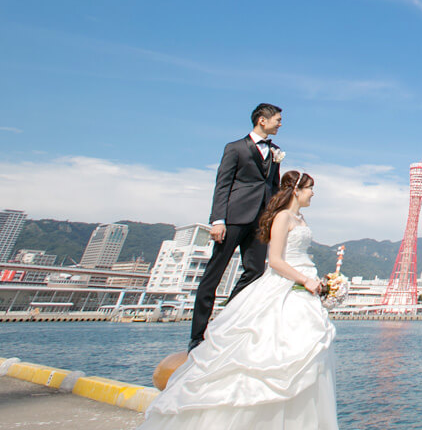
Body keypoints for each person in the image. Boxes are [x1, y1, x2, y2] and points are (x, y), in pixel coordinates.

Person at [140, 171, 338, 429]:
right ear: (296, 190)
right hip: (286, 286)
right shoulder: (282, 217)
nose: (313, 194)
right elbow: (276, 261)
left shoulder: (301, 218)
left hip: (304, 288)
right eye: (311, 188)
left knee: (307, 355)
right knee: (272, 351)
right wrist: (305, 279)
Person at [190, 103, 284, 351]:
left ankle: (223, 320)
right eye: (277, 119)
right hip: (233, 218)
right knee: (213, 274)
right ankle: (197, 336)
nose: (280, 123)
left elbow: (273, 186)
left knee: (255, 272)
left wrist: (275, 217)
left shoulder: (276, 152)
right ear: (262, 120)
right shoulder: (235, 148)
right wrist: (217, 220)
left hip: (260, 221)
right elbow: (222, 184)